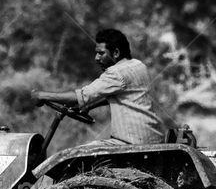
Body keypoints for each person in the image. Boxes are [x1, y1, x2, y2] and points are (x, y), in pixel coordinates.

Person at [31, 28, 164, 145]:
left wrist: (42, 95)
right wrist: (90, 105)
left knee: (76, 156)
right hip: (153, 140)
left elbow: (80, 97)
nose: (96, 58)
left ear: (116, 53)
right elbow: (125, 95)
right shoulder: (138, 66)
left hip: (130, 144)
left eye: (101, 53)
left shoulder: (116, 73)